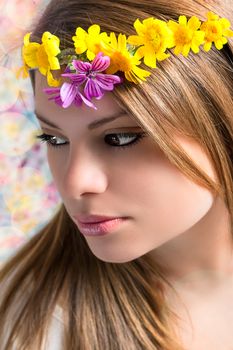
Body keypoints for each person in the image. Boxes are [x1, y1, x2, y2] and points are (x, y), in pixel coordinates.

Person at [0, 0, 233, 349]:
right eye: (55, 138)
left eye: (120, 138)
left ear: (220, 119)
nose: (76, 183)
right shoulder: (34, 328)